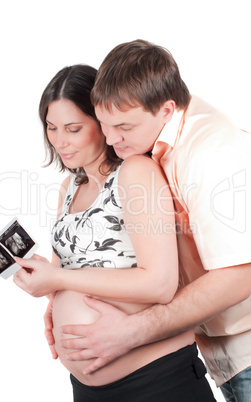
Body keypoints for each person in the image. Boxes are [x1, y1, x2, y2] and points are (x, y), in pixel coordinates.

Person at [51, 41, 251, 402]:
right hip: (218, 349)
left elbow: (239, 277)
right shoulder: (148, 146)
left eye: (123, 126)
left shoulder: (211, 153)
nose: (111, 139)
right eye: (104, 124)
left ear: (167, 109)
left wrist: (132, 332)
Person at [13, 64, 216, 401]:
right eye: (51, 128)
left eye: (74, 128)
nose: (60, 141)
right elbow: (66, 273)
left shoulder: (135, 173)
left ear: (102, 123)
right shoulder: (69, 187)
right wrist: (50, 293)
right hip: (88, 389)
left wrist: (60, 281)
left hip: (157, 381)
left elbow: (159, 284)